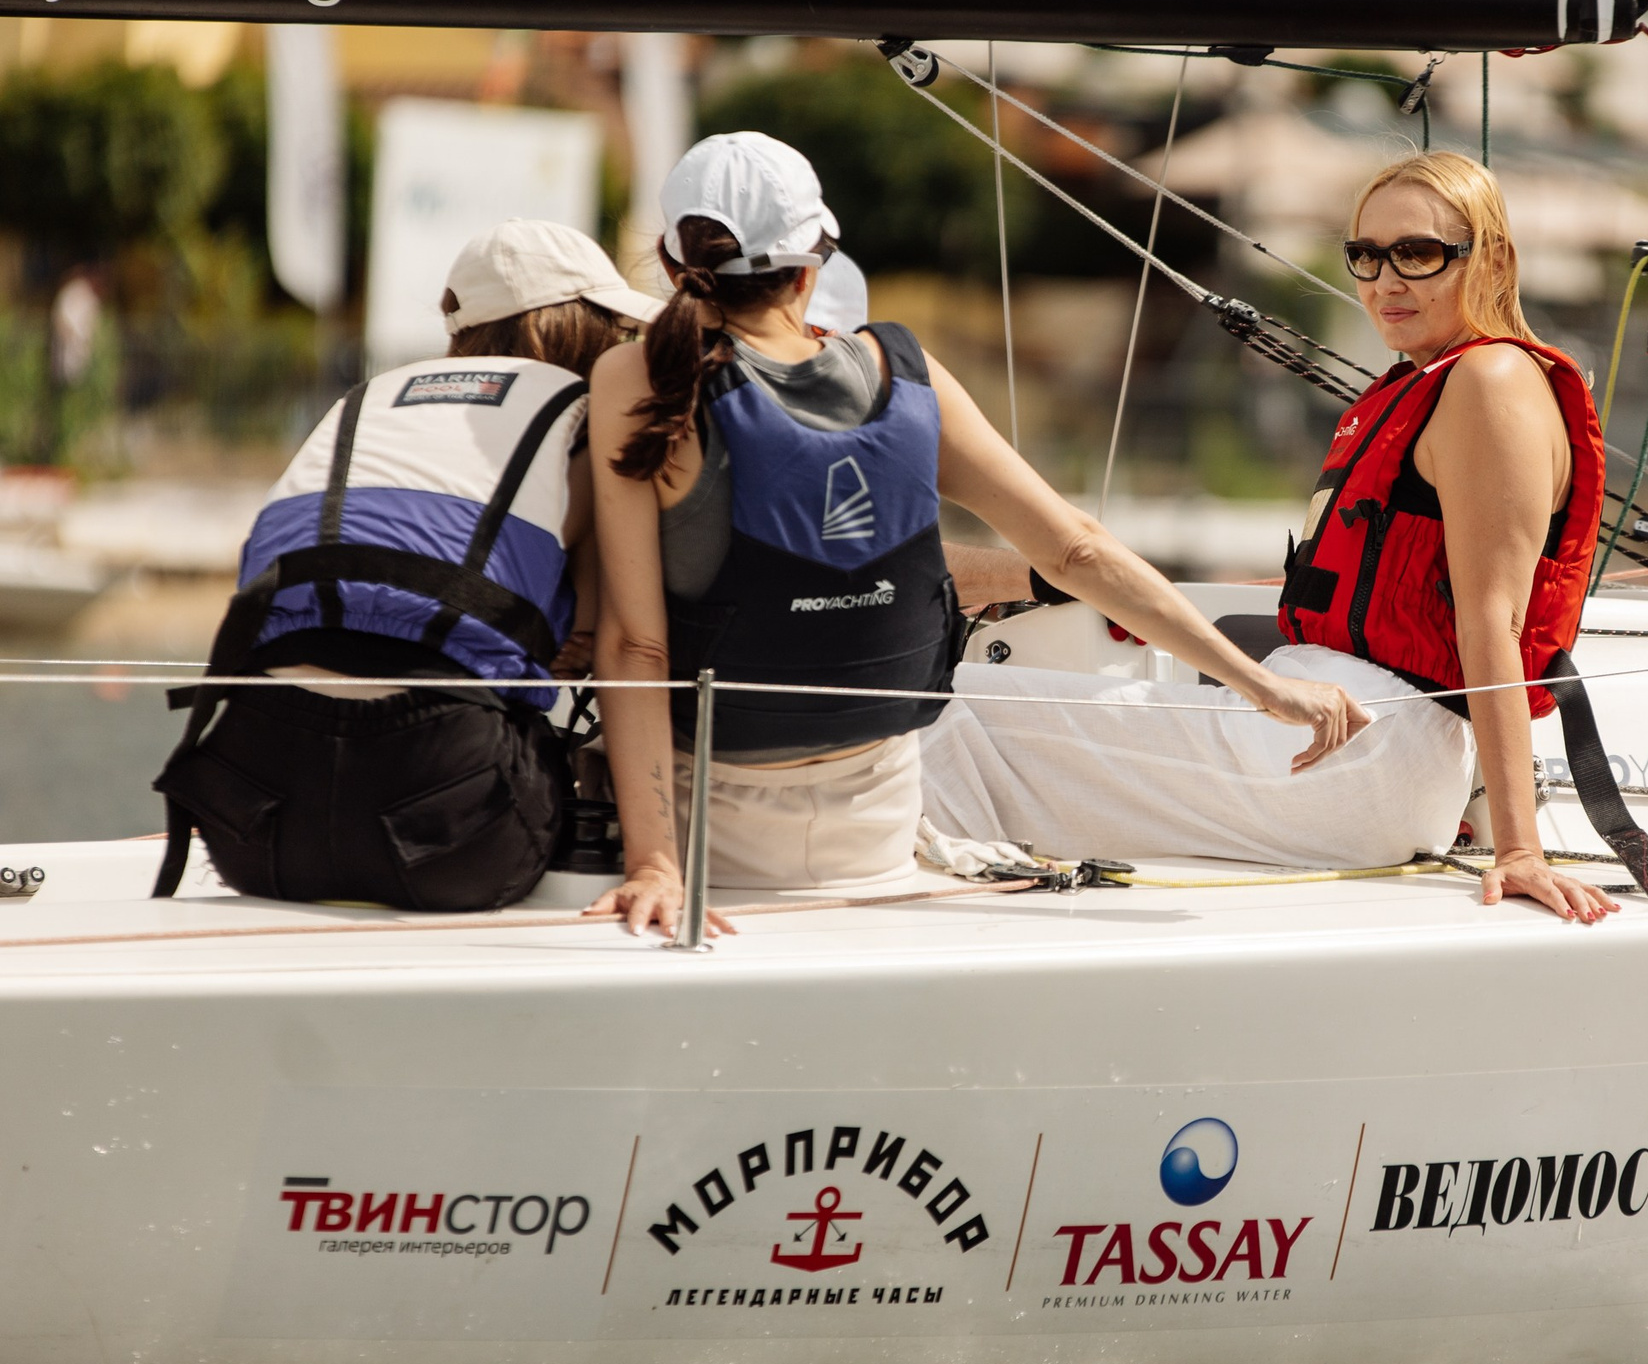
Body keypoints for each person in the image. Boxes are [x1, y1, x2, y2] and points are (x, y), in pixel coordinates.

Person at [583, 132, 1359, 936]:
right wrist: (1261, 685)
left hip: (717, 829)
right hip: (879, 818)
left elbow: (636, 645)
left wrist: (655, 865)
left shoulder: (642, 380)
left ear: (674, 267)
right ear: (816, 260)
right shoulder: (907, 371)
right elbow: (1077, 550)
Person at [919, 151, 1621, 923]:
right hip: (1341, 735)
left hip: (1365, 749)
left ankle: (881, 893)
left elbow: (1493, 619)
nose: (1386, 280)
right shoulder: (1424, 384)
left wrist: (1518, 848)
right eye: (1365, 255)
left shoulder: (1489, 382)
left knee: (947, 706)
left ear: (1491, 258)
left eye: (1418, 254)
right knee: (973, 712)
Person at [152, 219, 660, 909]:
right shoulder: (580, 416)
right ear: (562, 329)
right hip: (447, 838)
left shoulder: (364, 403)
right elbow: (600, 637)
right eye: (615, 328)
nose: (622, 348)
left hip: (257, 822)